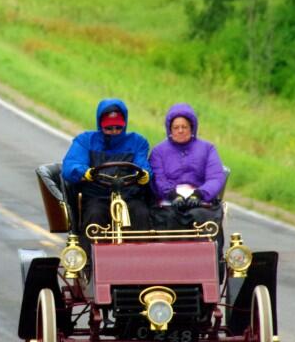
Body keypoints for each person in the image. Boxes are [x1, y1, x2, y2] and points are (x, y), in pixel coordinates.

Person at [62, 99, 152, 253]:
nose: (114, 131)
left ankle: (142, 260)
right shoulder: (86, 141)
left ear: (124, 124)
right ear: (100, 124)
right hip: (98, 197)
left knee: (141, 213)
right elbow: (70, 165)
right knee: (94, 216)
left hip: (128, 196)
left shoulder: (137, 142)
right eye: (109, 128)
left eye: (118, 127)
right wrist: (85, 172)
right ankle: (91, 262)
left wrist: (145, 174)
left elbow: (142, 163)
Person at [149, 103, 226, 233]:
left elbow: (215, 177)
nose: (180, 130)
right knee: (168, 218)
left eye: (184, 127)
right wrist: (172, 195)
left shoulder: (208, 149)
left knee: (202, 217)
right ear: (170, 129)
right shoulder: (158, 151)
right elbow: (158, 179)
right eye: (176, 127)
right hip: (169, 201)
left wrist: (199, 194)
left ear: (192, 128)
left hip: (200, 201)